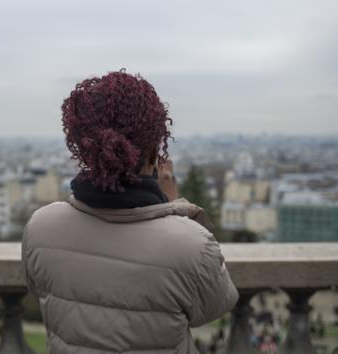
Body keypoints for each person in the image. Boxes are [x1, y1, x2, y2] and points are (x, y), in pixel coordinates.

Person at [21, 69, 238, 354]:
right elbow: (213, 307)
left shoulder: (41, 227)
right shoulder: (190, 243)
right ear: (152, 152)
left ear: (84, 150)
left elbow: (38, 290)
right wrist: (173, 209)